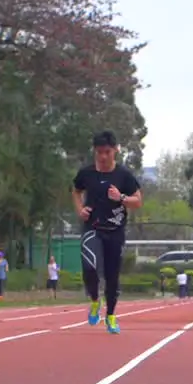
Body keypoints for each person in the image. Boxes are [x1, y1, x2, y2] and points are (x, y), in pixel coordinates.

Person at [72, 130, 142, 334]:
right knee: (90, 268)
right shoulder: (86, 173)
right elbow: (76, 191)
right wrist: (80, 209)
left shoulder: (124, 175)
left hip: (115, 231)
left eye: (107, 152)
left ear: (115, 151)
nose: (103, 157)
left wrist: (121, 198)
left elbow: (137, 201)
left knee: (112, 276)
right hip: (92, 228)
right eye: (99, 152)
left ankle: (110, 315)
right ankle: (95, 300)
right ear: (95, 152)